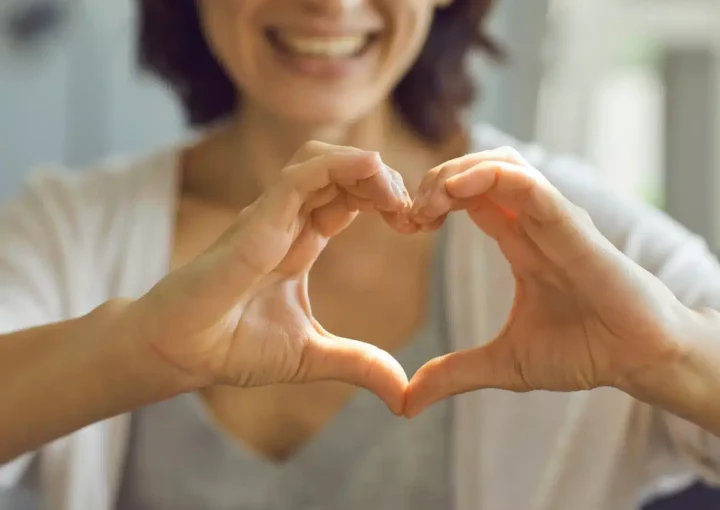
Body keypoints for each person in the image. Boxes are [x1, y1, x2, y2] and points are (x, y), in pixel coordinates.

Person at [1, 0, 719, 509]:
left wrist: (666, 353)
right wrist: (135, 352)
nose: (329, 4)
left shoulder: (577, 229)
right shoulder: (69, 231)